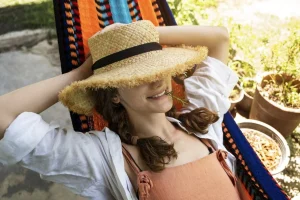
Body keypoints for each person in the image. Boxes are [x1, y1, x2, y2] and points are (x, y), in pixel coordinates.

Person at [0, 20, 241, 199]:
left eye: (159, 68)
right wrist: (79, 74)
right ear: (113, 93)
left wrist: (140, 35)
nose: (157, 81)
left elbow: (219, 38)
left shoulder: (200, 121)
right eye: (138, 76)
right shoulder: (105, 159)